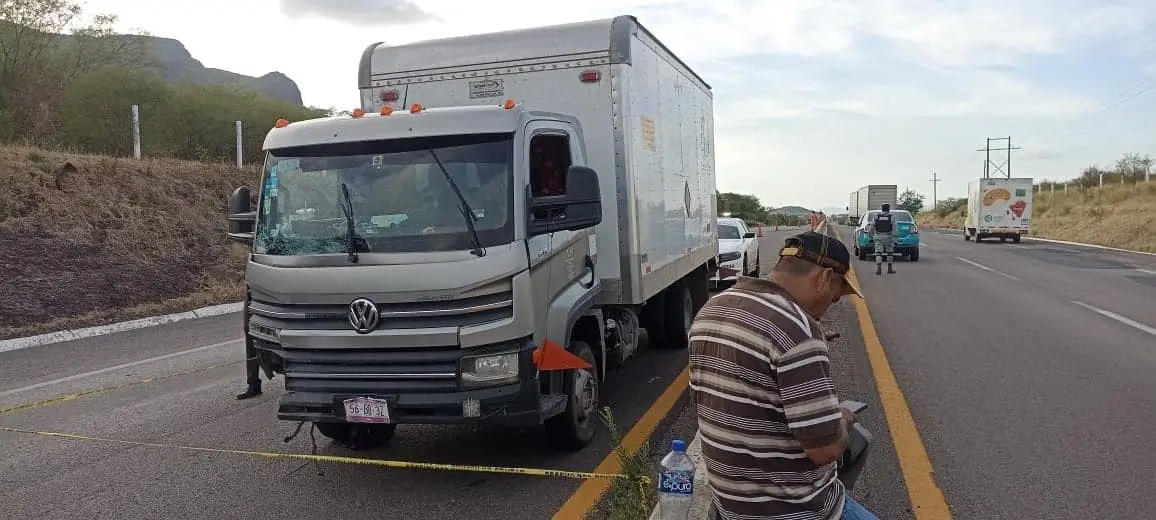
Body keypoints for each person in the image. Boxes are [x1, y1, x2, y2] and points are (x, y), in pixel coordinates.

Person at [688, 231, 879, 520]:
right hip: (792, 511)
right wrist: (841, 419)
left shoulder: (712, 309)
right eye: (836, 295)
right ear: (824, 278)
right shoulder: (797, 329)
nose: (832, 302)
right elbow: (825, 450)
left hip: (730, 504)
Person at [871, 203, 896, 276]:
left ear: (882, 209)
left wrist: (871, 235)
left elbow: (872, 226)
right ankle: (889, 268)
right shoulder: (892, 217)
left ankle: (878, 268)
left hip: (878, 236)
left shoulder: (876, 216)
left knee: (879, 253)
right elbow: (894, 229)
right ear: (888, 209)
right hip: (888, 236)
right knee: (890, 252)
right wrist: (895, 239)